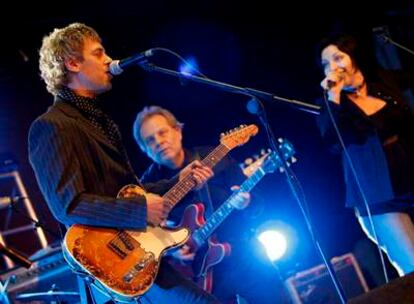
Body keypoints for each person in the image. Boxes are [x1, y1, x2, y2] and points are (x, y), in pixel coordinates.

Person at [28, 22, 219, 304]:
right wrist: (139, 209)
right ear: (72, 63)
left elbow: (128, 190)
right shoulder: (52, 126)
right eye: (98, 53)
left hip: (138, 254)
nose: (109, 60)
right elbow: (68, 205)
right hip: (111, 263)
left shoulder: (100, 121)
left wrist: (178, 181)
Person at [316, 31, 414, 276]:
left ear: (351, 57)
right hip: (379, 195)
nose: (333, 67)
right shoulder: (331, 105)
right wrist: (333, 95)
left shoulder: (382, 82)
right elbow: (332, 143)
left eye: (338, 58)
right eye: (326, 64)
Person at [132, 106, 251, 301]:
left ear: (178, 130)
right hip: (196, 279)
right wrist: (171, 252)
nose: (159, 142)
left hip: (244, 258)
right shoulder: (145, 189)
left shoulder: (215, 157)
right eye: (150, 140)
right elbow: (142, 242)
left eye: (162, 132)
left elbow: (257, 203)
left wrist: (247, 202)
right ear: (144, 150)